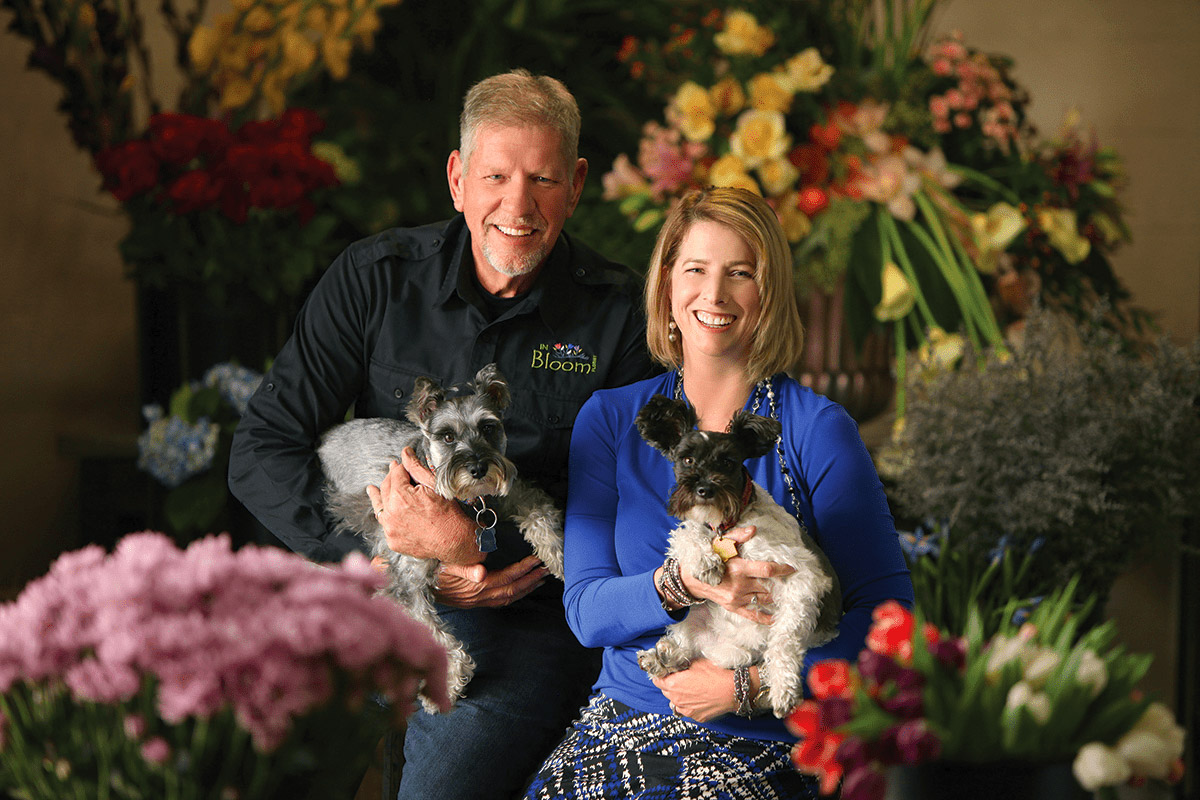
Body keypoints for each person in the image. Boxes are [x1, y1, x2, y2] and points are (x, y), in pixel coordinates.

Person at [227, 69, 657, 800]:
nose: (517, 206)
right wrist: (387, 558)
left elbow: (623, 506)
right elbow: (262, 449)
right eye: (496, 175)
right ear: (458, 178)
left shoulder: (618, 317)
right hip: (354, 592)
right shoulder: (373, 279)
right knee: (240, 769)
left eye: (543, 179)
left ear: (577, 184)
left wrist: (471, 554)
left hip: (521, 622)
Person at [520, 187, 914, 799]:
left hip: (769, 736)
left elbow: (890, 622)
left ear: (769, 295)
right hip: (623, 720)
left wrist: (747, 686)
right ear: (667, 287)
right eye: (696, 269)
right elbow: (587, 612)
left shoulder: (814, 427)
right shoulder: (611, 419)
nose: (715, 294)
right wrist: (683, 584)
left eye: (741, 273)